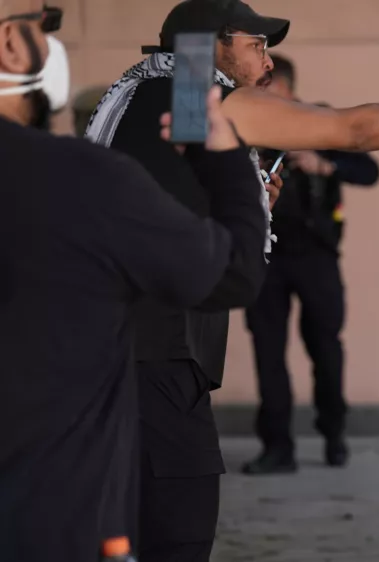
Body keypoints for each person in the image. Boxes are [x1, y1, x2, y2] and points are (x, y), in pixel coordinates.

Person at [83, 1, 379, 559]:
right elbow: (354, 129)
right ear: (211, 44)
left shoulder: (133, 95)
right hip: (153, 361)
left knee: (115, 530)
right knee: (178, 533)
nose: (266, 57)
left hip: (98, 354)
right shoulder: (196, 94)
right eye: (256, 44)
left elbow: (174, 204)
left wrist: (244, 202)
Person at [0, 1, 270, 560]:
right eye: (39, 26)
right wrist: (228, 167)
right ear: (11, 48)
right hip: (49, 506)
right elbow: (233, 274)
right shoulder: (78, 178)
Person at [242, 53, 379, 474]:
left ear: (283, 86)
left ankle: (333, 433)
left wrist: (325, 161)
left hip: (316, 255)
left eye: (266, 83)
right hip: (266, 256)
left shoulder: (318, 123)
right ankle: (277, 447)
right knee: (268, 353)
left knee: (325, 348)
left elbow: (368, 169)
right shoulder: (251, 126)